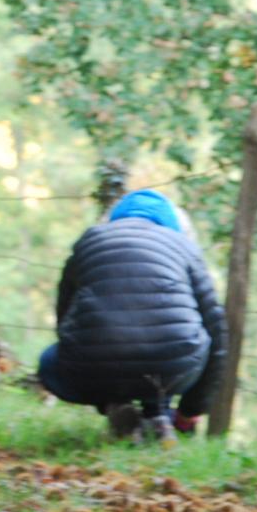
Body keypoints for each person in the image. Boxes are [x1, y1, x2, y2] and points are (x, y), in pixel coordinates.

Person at [38, 189, 225, 443]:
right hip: (171, 369)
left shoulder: (90, 240)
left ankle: (115, 405)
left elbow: (65, 320)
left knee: (49, 362)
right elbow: (217, 334)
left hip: (95, 363)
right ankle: (158, 416)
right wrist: (190, 410)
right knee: (172, 341)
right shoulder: (185, 248)